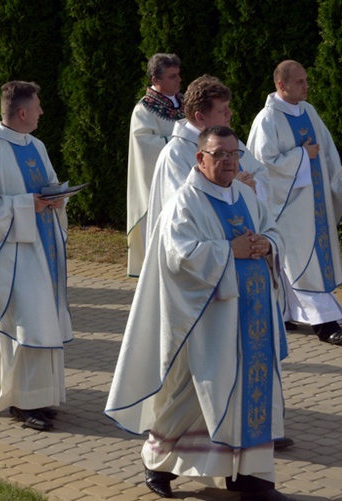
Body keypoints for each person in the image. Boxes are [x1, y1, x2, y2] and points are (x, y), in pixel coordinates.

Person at [106, 126, 292, 501]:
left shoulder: (245, 195)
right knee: (192, 400)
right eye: (219, 154)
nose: (228, 161)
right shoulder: (185, 202)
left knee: (249, 396)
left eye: (234, 154)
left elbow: (274, 229)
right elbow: (179, 259)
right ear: (200, 158)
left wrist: (266, 243)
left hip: (252, 321)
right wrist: (229, 251)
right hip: (206, 324)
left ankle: (252, 479)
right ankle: (156, 461)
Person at [0, 81, 72, 432]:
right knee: (25, 325)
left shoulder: (35, 145)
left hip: (43, 248)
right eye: (37, 107)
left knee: (43, 323)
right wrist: (26, 205)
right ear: (22, 112)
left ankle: (42, 396)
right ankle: (21, 401)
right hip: (13, 256)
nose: (41, 112)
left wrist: (57, 198)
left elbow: (47, 184)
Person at [247, 60, 342, 345]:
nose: (306, 86)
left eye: (306, 80)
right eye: (299, 81)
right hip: (287, 207)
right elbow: (265, 165)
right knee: (303, 263)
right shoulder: (267, 119)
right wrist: (302, 155)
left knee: (296, 263)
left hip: (315, 206)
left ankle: (284, 313)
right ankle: (326, 326)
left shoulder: (308, 112)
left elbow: (327, 155)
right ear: (281, 85)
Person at [146, 75, 270, 238]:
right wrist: (235, 188)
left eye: (228, 107)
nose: (230, 114)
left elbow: (261, 173)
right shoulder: (176, 154)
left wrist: (254, 185)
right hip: (207, 249)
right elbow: (183, 208)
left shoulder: (232, 142)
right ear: (200, 117)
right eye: (222, 110)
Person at [126, 53, 185, 277]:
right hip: (160, 181)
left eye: (178, 75)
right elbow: (145, 147)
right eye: (172, 76)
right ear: (156, 80)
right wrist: (180, 143)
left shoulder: (186, 103)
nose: (178, 80)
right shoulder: (144, 109)